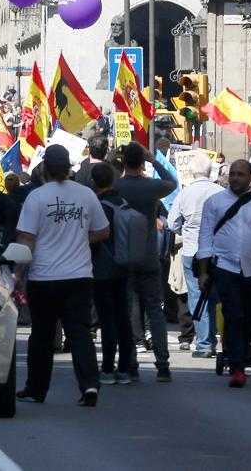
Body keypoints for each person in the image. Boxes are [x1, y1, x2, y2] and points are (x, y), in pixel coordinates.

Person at [13, 145, 109, 407]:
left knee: (42, 335)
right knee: (79, 332)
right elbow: (103, 231)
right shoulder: (86, 195)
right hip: (79, 276)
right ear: (69, 167)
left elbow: (27, 238)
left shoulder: (37, 198)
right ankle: (89, 384)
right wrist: (81, 237)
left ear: (44, 168)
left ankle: (36, 389)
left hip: (44, 278)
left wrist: (17, 274)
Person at [195, 159, 251, 388]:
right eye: (232, 174)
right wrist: (204, 272)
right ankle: (237, 367)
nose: (235, 178)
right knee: (233, 314)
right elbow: (205, 238)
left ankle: (242, 354)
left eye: (240, 174)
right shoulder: (214, 202)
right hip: (224, 267)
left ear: (250, 176)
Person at [115, 142, 176, 382]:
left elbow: (98, 182)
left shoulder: (116, 186)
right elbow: (172, 182)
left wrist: (112, 157)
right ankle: (162, 364)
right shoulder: (151, 186)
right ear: (142, 162)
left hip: (122, 254)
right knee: (155, 310)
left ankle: (130, 362)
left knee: (128, 308)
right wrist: (154, 160)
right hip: (149, 254)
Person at [167, 152, 221, 357]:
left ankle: (205, 342)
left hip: (192, 250)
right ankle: (210, 337)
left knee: (197, 296)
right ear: (209, 171)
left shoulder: (185, 193)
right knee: (214, 296)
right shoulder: (220, 192)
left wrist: (186, 231)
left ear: (191, 172)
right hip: (216, 251)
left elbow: (172, 224)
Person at [90, 162, 135, 385]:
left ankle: (107, 368)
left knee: (107, 319)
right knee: (123, 318)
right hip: (123, 265)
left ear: (93, 182)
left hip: (102, 268)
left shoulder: (99, 205)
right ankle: (124, 368)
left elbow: (94, 236)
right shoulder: (122, 202)